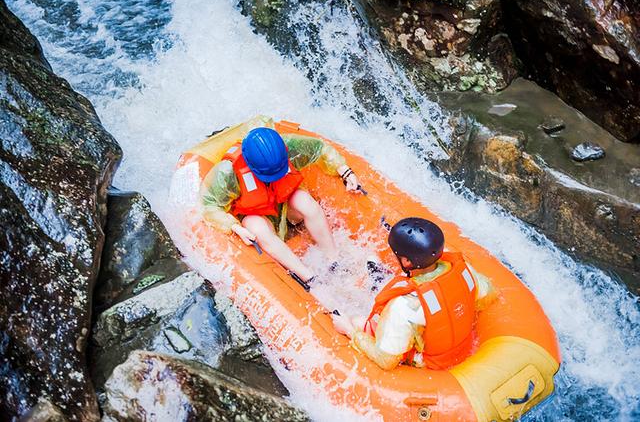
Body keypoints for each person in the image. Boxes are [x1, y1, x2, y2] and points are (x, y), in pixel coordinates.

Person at [200, 127, 361, 284]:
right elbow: (210, 206)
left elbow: (320, 149)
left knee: (303, 200)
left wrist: (344, 170)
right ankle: (310, 278)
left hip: (287, 208)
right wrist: (234, 227)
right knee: (254, 225)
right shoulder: (227, 172)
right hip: (257, 216)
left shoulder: (288, 146)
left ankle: (334, 260)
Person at [332, 217, 496, 370]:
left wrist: (350, 331)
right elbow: (487, 296)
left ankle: (351, 324)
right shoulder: (464, 270)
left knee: (358, 322)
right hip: (461, 342)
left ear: (406, 262)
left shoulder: (404, 306)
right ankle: (379, 277)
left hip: (429, 361)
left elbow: (386, 360)